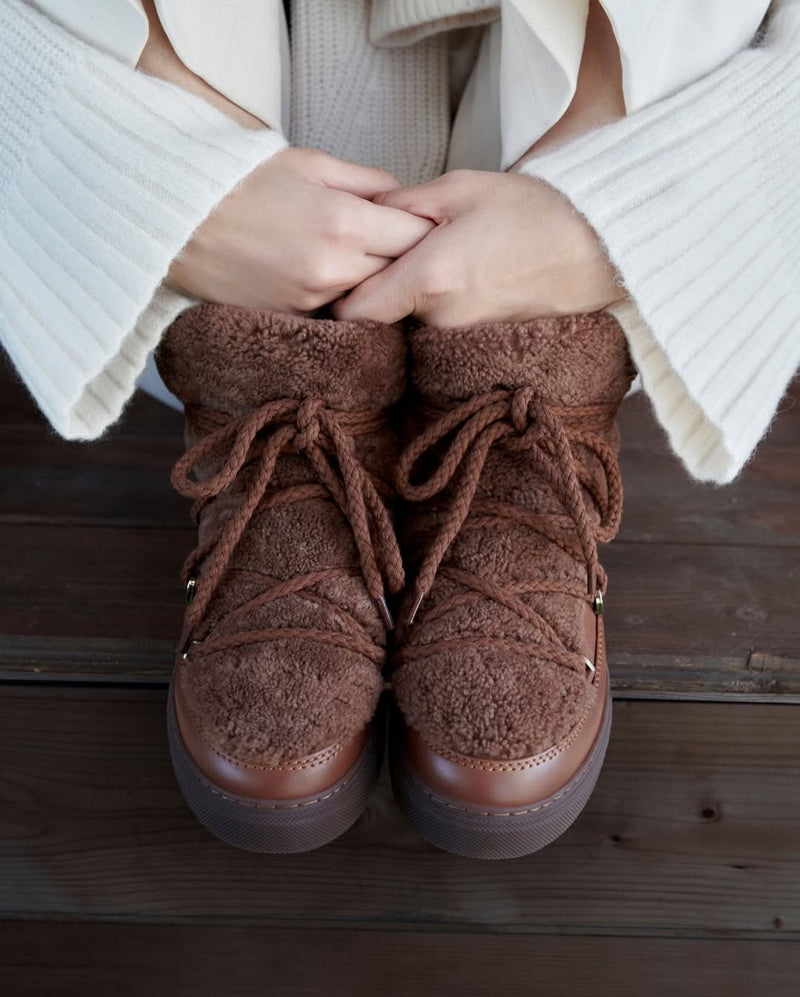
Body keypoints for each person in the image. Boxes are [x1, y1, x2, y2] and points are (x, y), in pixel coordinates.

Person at [1, 0, 796, 858]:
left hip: (586, 245)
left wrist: (623, 214)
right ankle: (282, 391)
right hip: (199, 255)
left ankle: (519, 379)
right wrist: (156, 179)